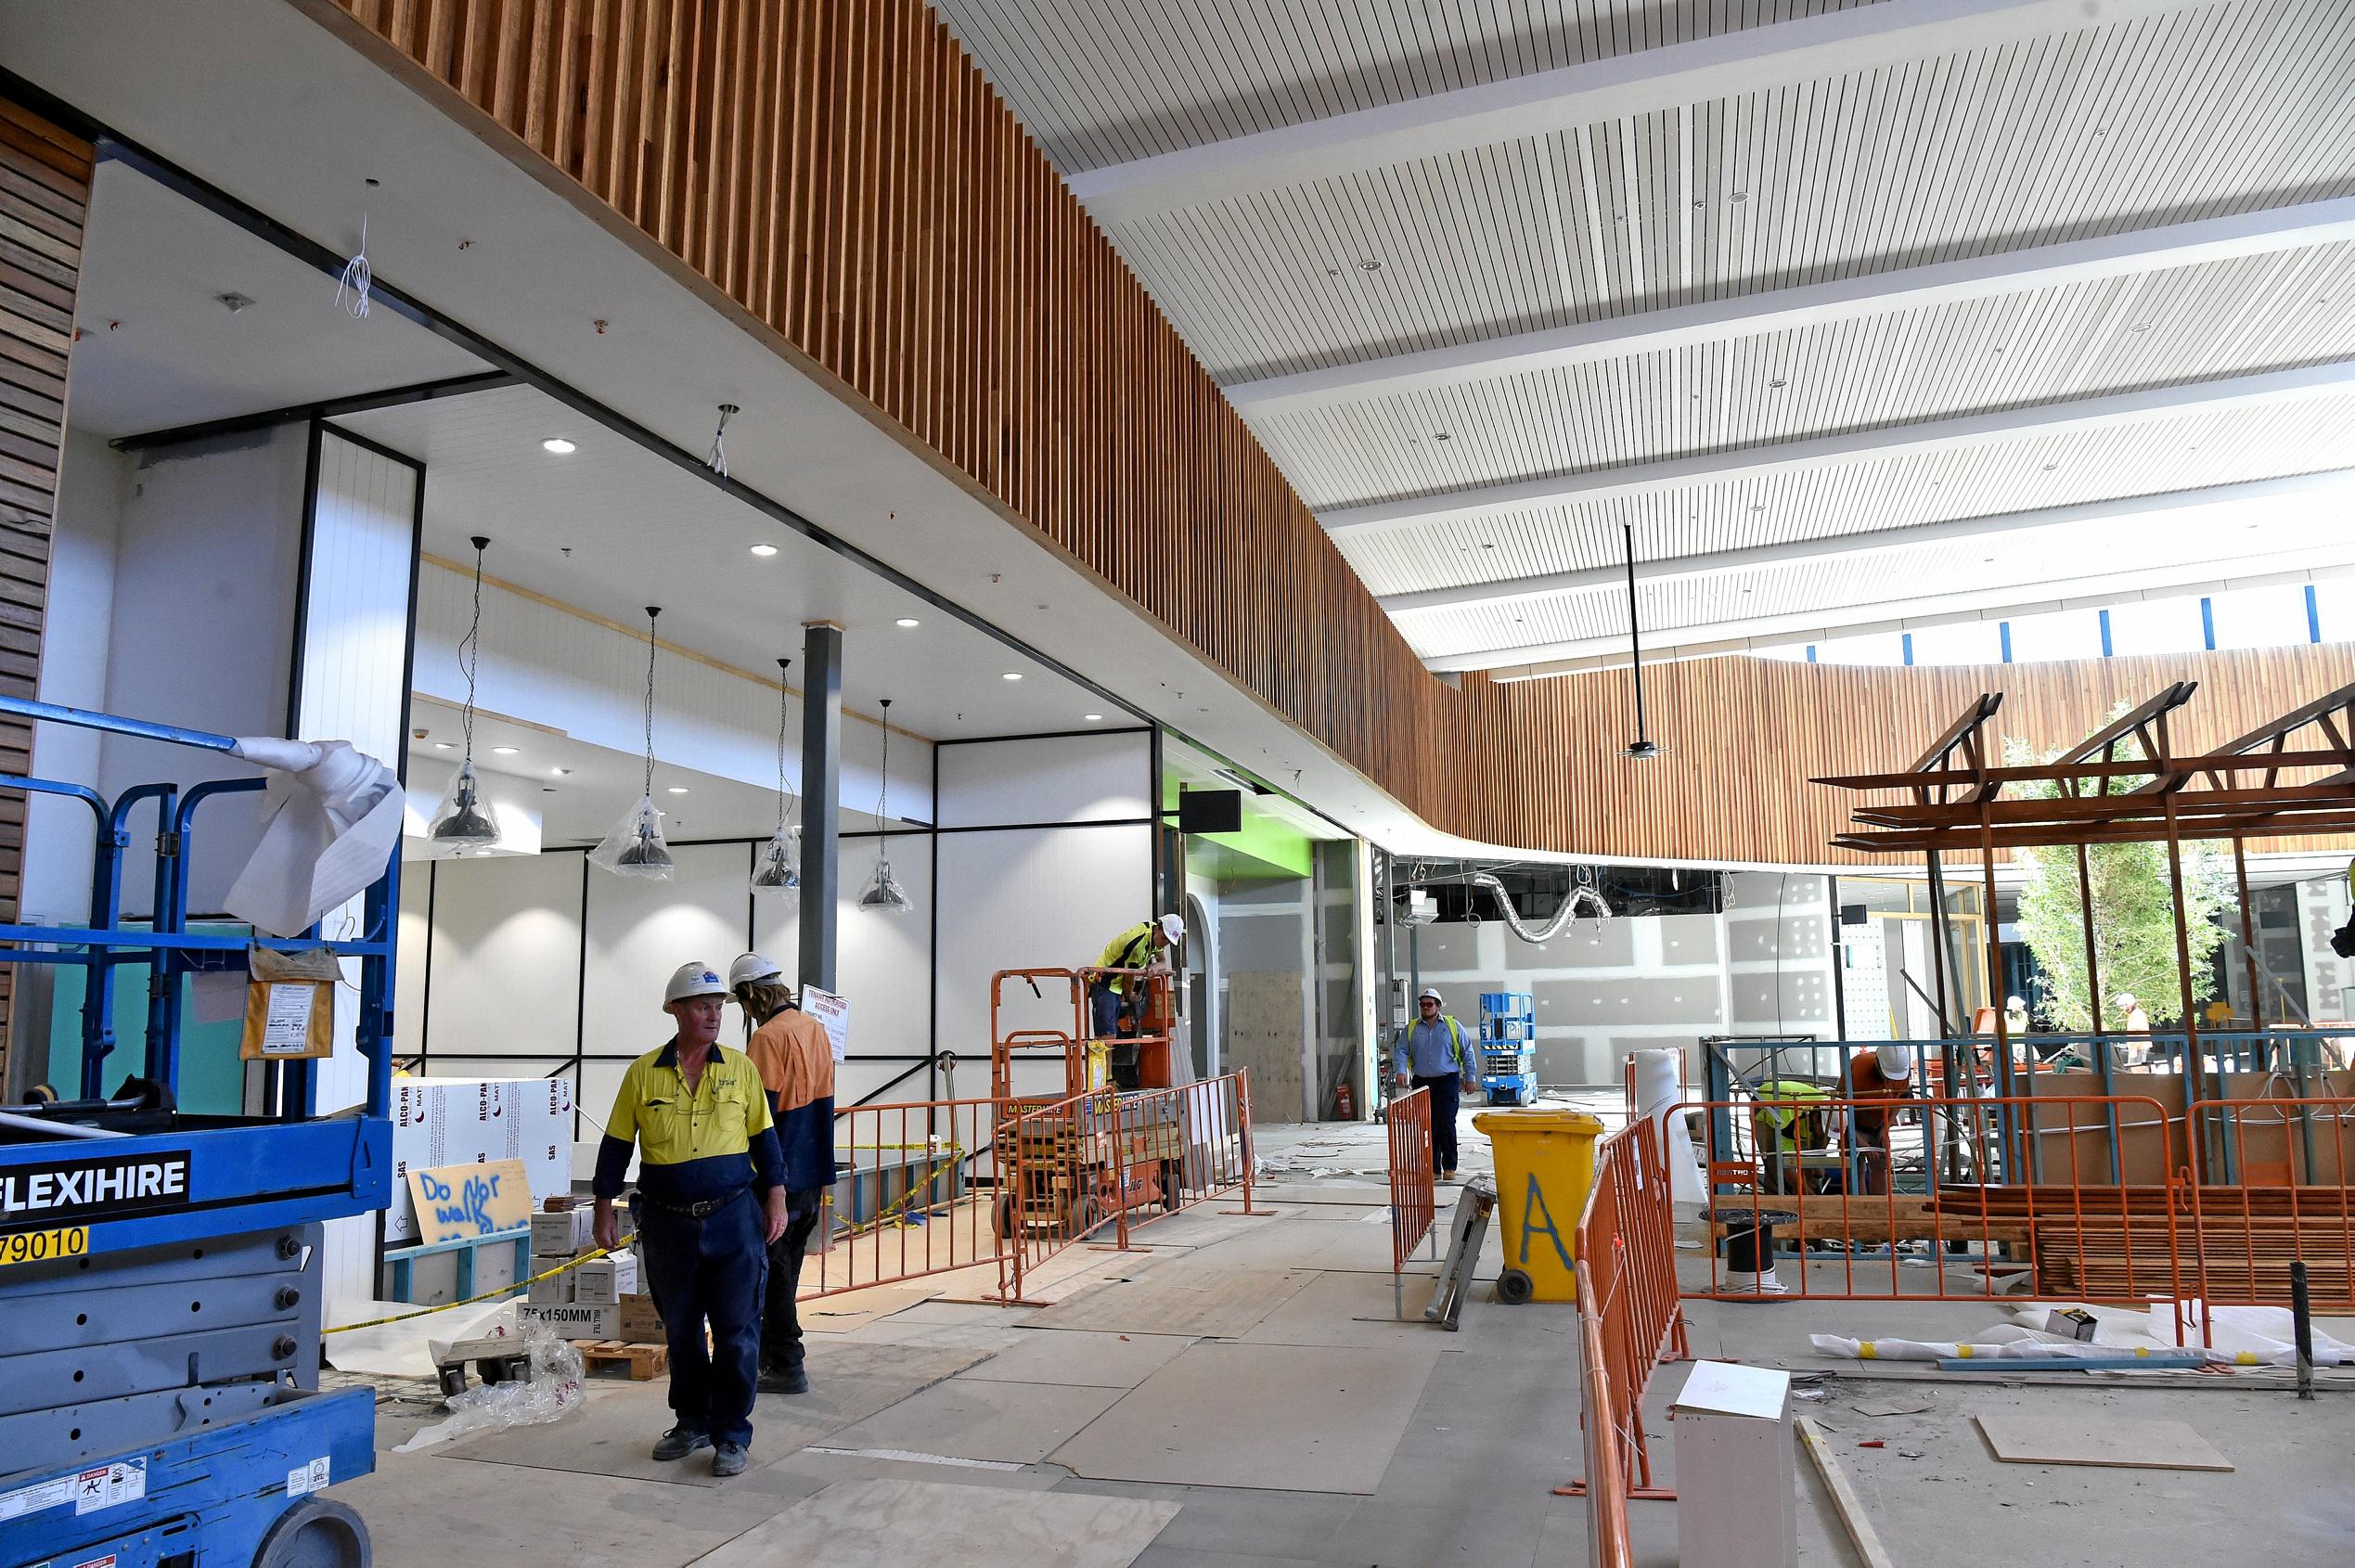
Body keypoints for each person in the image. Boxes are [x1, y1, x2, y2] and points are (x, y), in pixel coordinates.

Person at [592, 962, 790, 1479]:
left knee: (737, 1331)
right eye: (703, 1006)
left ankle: (731, 1434)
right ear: (676, 1011)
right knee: (681, 1330)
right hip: (668, 1224)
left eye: (719, 1007)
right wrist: (601, 1207)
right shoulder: (642, 1073)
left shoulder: (741, 1070)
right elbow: (617, 1145)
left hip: (733, 1221)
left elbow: (765, 1139)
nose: (714, 1015)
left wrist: (776, 1197)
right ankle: (691, 1422)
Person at [730, 951, 835, 1396]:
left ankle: (787, 1363)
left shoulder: (767, 1039)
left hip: (777, 1177)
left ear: (750, 994)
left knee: (769, 1270)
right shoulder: (816, 1029)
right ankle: (778, 1357)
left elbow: (758, 1114)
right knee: (786, 1268)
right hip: (812, 1173)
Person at [1392, 987, 1473, 1180]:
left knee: (1446, 1123)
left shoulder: (1452, 1026)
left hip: (1447, 1081)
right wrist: (1401, 1071)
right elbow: (1401, 1050)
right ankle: (1433, 1168)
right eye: (1422, 1005)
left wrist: (1470, 1078)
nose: (1425, 1008)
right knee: (1426, 1125)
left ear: (1438, 1006)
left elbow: (1467, 1051)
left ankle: (1450, 1167)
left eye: (1429, 1004)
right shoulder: (1412, 1028)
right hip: (1422, 1081)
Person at [1090, 913, 1183, 1040]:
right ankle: (1101, 1060)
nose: (1165, 943)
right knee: (1107, 1037)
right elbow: (1128, 979)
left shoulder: (1153, 934)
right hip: (1104, 981)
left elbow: (1163, 963)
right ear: (1157, 929)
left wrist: (1154, 967)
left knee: (1110, 1034)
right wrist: (1130, 997)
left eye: (1168, 941)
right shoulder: (1138, 947)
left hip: (1117, 983)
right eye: (1164, 938)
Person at [1844, 1042, 1913, 1196]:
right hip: (1853, 1124)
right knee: (1857, 1169)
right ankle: (1860, 1209)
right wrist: (1858, 1140)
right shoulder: (1857, 1068)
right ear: (1878, 1064)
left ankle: (1882, 1208)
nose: (1890, 1082)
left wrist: (1885, 1127)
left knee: (1881, 1166)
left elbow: (1901, 1099)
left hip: (1879, 1124)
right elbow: (1840, 1111)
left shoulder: (1902, 1072)